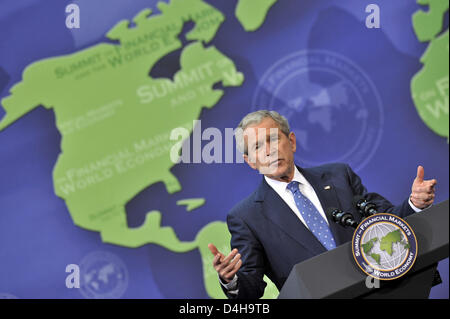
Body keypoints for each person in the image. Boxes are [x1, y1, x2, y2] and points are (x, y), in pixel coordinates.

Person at [207, 110, 437, 299]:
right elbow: (251, 289)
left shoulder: (338, 176)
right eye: (258, 147)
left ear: (292, 141)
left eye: (274, 139)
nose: (269, 151)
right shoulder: (247, 217)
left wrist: (414, 203)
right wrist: (231, 280)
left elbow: (384, 220)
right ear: (250, 162)